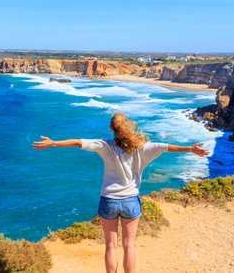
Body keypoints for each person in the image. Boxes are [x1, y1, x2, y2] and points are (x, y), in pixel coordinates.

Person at [33, 112, 210, 273]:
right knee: (129, 246)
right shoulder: (143, 148)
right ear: (127, 126)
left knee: (110, 246)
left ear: (111, 128)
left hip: (108, 200)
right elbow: (167, 147)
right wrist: (190, 149)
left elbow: (78, 142)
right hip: (130, 201)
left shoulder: (104, 146)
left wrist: (52, 143)